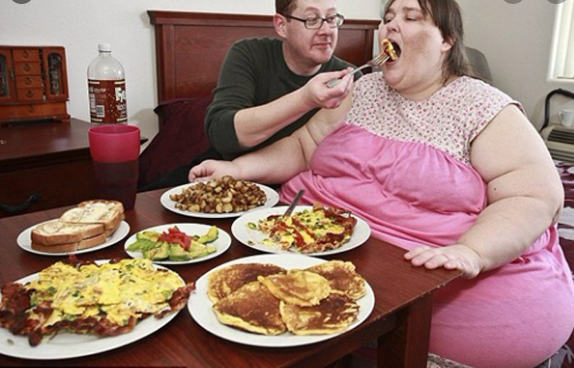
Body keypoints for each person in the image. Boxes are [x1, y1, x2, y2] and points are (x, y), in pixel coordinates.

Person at [189, 0, 574, 367]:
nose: (391, 25)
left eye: (411, 17)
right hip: (309, 242)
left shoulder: (482, 105)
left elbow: (535, 194)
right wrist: (237, 169)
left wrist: (472, 252)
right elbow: (302, 147)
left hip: (428, 275)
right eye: (388, 16)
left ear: (446, 40)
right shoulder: (361, 88)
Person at [139, 0, 358, 191]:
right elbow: (223, 134)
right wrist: (305, 99)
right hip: (226, 175)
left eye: (331, 18)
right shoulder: (249, 54)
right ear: (282, 25)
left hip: (296, 190)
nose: (326, 30)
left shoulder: (350, 79)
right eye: (311, 19)